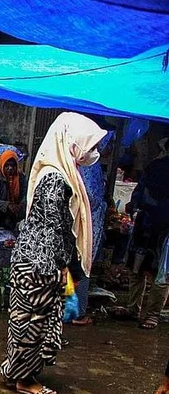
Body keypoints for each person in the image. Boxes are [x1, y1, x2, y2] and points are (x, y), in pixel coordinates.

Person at [1, 112, 105, 394]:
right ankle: (25, 380)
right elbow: (51, 228)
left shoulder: (57, 172)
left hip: (36, 260)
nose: (91, 152)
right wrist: (61, 266)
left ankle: (18, 372)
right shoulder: (55, 178)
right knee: (32, 321)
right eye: (87, 145)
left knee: (27, 319)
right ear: (69, 141)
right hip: (40, 263)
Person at [112, 139, 169, 330]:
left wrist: (135, 205)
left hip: (161, 229)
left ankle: (151, 313)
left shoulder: (155, 166)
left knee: (158, 273)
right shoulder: (155, 167)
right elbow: (139, 192)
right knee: (146, 270)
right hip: (147, 225)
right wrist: (134, 206)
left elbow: (138, 194)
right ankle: (137, 309)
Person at [71, 132, 113, 325]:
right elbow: (91, 196)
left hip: (86, 220)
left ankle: (73, 310)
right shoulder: (89, 165)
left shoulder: (85, 162)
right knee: (82, 265)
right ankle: (77, 312)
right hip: (86, 222)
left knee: (79, 264)